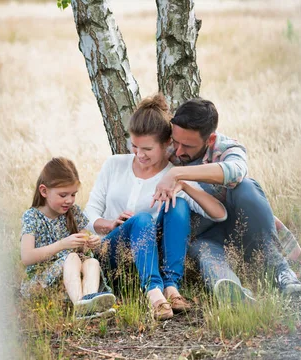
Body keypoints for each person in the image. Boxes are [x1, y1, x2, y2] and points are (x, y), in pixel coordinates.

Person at [84, 94, 227, 320]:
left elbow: (219, 214)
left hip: (150, 260)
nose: (139, 154)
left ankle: (171, 287)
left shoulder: (172, 176)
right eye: (134, 146)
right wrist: (109, 224)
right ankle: (154, 295)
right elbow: (89, 214)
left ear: (167, 144)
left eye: (147, 149)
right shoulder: (114, 165)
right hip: (111, 256)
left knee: (178, 203)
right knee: (140, 220)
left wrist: (184, 186)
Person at [151, 98, 301, 301]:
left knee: (246, 187)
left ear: (210, 139)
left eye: (187, 145)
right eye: (176, 141)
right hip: (203, 234)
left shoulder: (227, 148)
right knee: (207, 256)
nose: (178, 151)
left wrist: (178, 173)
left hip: (241, 227)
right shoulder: (167, 147)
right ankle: (233, 292)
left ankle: (281, 271)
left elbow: (235, 172)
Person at [20, 157, 116, 320]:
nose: (69, 200)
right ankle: (81, 305)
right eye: (63, 195)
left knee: (92, 261)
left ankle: (89, 303)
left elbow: (84, 247)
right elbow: (27, 258)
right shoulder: (32, 216)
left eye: (73, 194)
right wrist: (62, 245)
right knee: (71, 257)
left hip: (72, 279)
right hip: (43, 281)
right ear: (44, 191)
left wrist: (91, 242)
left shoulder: (74, 212)